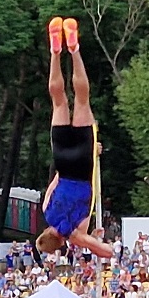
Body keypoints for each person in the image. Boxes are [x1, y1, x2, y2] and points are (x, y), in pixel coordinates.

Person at [34, 19, 110, 260]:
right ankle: (56, 52)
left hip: (82, 168)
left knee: (82, 99)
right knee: (59, 101)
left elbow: (107, 253)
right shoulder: (47, 211)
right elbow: (54, 183)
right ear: (45, 231)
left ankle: (75, 51)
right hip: (64, 164)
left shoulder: (75, 233)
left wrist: (88, 242)